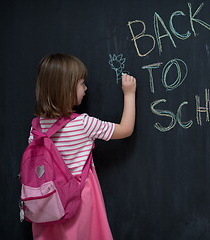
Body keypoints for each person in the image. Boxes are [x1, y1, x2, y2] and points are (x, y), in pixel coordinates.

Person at [29, 53, 136, 240]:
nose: (85, 89)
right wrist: (129, 94)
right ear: (67, 89)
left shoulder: (37, 126)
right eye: (81, 84)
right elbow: (126, 129)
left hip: (46, 203)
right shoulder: (83, 124)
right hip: (77, 201)